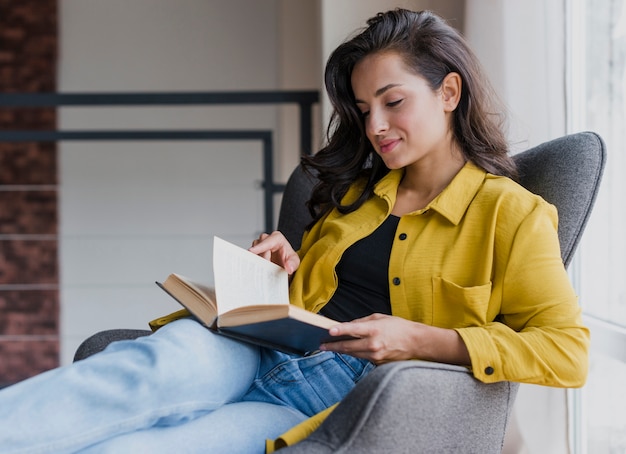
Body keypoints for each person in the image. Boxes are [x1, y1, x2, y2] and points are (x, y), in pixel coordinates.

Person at [0, 8, 588, 454]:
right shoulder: (360, 191)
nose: (376, 126)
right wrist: (286, 263)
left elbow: (566, 351)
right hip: (250, 346)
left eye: (393, 101)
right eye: (363, 109)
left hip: (335, 392)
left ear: (449, 92)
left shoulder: (511, 214)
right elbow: (331, 290)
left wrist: (421, 339)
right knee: (135, 375)